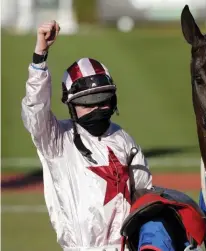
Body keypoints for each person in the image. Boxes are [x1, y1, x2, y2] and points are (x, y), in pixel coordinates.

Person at [21, 20, 152, 251]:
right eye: (87, 103)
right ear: (72, 106)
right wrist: (40, 57)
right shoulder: (57, 140)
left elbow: (143, 198)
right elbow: (35, 112)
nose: (97, 108)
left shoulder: (124, 140)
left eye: (102, 101)